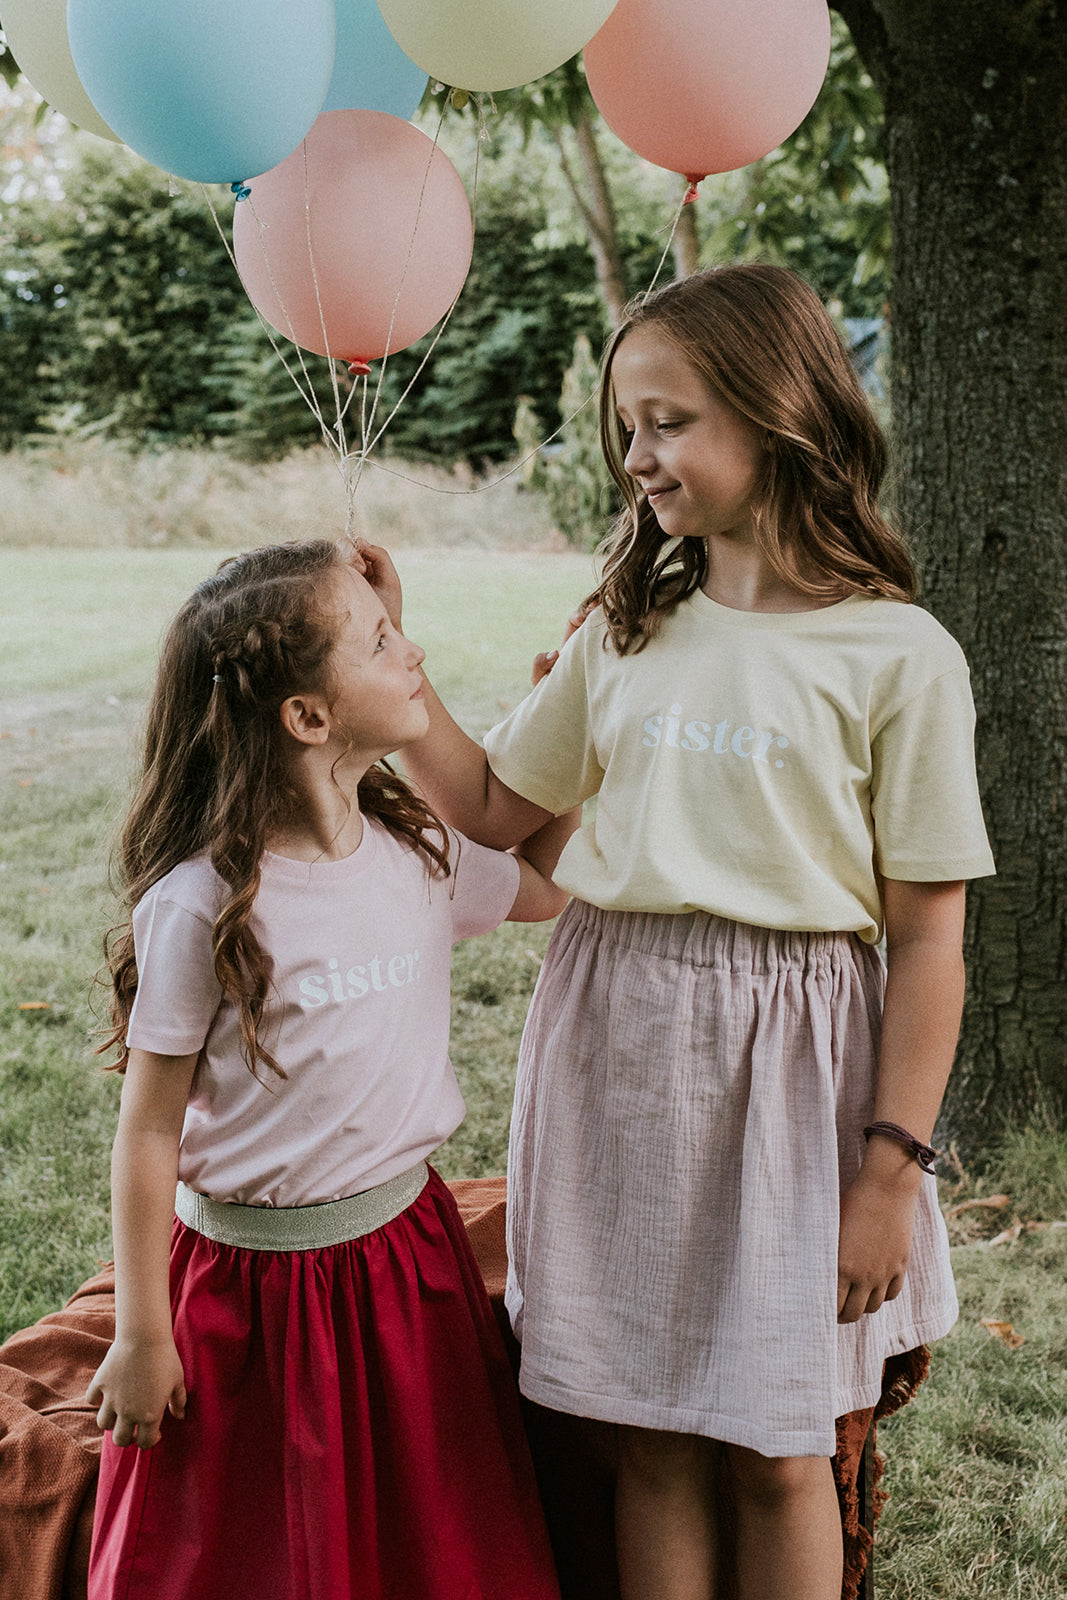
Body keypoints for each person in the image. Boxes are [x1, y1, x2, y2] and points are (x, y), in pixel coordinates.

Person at [374, 264, 996, 1600]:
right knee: (647, 1431)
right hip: (617, 1044)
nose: (634, 456)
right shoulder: (625, 628)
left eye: (667, 421)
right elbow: (491, 805)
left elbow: (927, 940)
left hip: (794, 1071)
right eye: (625, 427)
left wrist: (886, 1176)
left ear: (777, 418)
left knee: (774, 1446)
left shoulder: (895, 657)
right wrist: (395, 663)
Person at [85, 538, 573, 1600]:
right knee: (250, 1552)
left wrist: (567, 742)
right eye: (385, 639)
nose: (416, 649)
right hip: (249, 1293)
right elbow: (149, 1127)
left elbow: (544, 884)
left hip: (406, 1265)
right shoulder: (202, 902)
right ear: (308, 717)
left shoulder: (417, 855)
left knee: (427, 1535)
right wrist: (140, 1329)